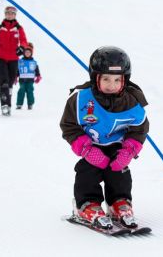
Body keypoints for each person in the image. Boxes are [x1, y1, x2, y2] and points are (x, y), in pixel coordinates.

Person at [59, 46, 149, 229]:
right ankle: (87, 205)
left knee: (119, 172)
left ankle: (119, 202)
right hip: (92, 146)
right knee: (87, 172)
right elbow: (69, 125)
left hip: (118, 145)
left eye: (117, 80)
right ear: (95, 77)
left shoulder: (132, 101)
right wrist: (85, 149)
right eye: (106, 79)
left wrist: (129, 150)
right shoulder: (80, 100)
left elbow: (139, 128)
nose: (112, 85)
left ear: (125, 79)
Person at [15, 42, 42, 110]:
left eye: (29, 52)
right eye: (26, 52)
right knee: (21, 90)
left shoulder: (33, 62)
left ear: (31, 53)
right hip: (22, 80)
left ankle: (30, 104)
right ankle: (19, 104)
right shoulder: (20, 61)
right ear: (24, 53)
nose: (27, 53)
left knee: (30, 91)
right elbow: (17, 70)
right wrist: (15, 77)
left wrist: (38, 76)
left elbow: (36, 70)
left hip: (30, 80)